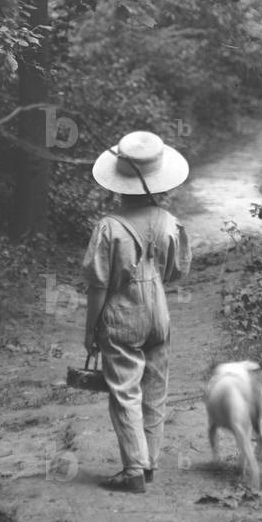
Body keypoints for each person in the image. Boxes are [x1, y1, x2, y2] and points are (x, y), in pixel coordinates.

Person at [82, 131, 192, 493]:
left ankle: (133, 468)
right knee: (155, 390)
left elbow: (98, 286)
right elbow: (177, 273)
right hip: (158, 312)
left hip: (121, 315)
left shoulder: (108, 227)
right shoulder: (170, 223)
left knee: (125, 391)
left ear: (118, 182)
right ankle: (149, 464)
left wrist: (91, 329)